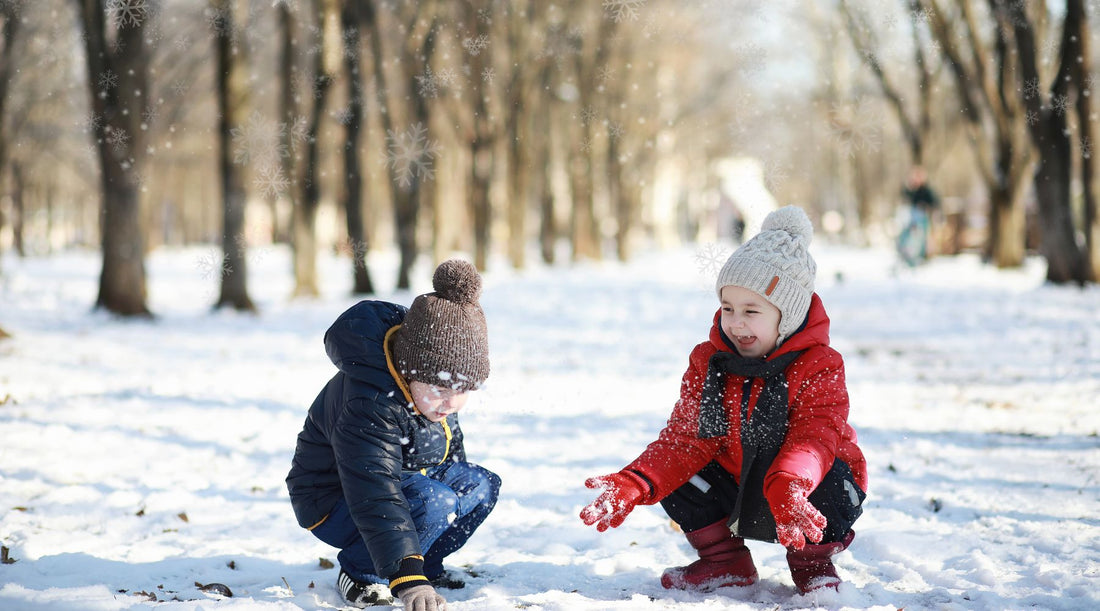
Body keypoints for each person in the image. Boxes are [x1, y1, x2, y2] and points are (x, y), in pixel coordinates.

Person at [580, 206, 868, 595]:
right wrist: (637, 481)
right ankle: (725, 562)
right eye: (728, 308)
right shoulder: (710, 361)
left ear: (790, 314)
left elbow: (815, 437)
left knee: (831, 476)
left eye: (752, 311)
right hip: (736, 476)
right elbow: (686, 438)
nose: (735, 322)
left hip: (801, 485)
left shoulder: (820, 365)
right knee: (679, 474)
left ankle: (811, 563)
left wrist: (789, 483)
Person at [287, 259, 500, 610]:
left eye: (464, 389)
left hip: (402, 483)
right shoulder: (369, 401)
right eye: (441, 388)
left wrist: (420, 563)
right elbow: (375, 492)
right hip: (337, 499)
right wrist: (406, 577)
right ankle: (361, 573)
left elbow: (448, 455)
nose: (451, 402)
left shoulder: (431, 397)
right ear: (409, 369)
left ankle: (426, 564)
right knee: (436, 501)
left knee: (479, 485)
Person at [897, 165, 939, 266]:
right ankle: (906, 256)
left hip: (922, 219)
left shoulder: (927, 191)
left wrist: (925, 207)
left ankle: (921, 258)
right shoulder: (911, 190)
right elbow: (904, 196)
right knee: (908, 237)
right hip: (911, 219)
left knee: (921, 239)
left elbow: (934, 203)